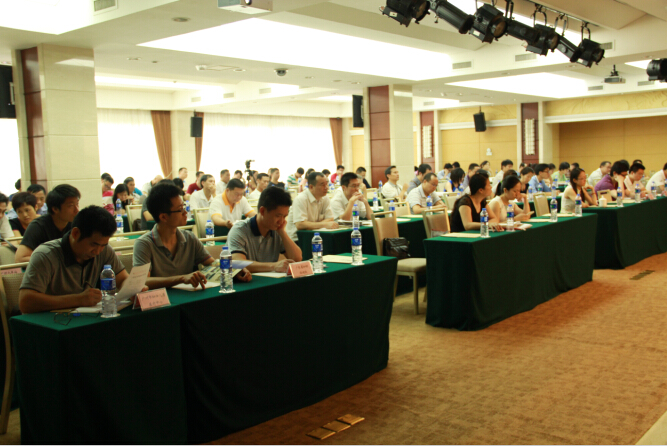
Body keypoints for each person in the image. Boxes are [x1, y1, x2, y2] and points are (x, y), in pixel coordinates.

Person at [133, 182, 250, 289]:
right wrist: (181, 278)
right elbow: (142, 281)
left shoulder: (189, 238)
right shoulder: (144, 244)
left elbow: (211, 263)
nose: (185, 212)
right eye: (180, 209)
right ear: (163, 217)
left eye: (184, 207)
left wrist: (233, 269)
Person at [18, 205, 131, 314]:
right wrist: (78, 299)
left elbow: (123, 279)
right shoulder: (45, 255)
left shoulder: (104, 250)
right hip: (52, 321)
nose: (97, 252)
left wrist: (132, 291)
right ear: (76, 233)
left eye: (103, 245)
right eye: (93, 244)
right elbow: (25, 302)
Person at [228, 187, 302, 274]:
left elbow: (297, 259)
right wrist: (273, 266)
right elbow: (237, 263)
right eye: (278, 216)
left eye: (285, 216)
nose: (281, 221)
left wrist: (282, 233)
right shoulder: (239, 230)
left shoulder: (277, 230)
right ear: (262, 211)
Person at [15, 184, 80, 263]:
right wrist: (55, 260)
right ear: (55, 209)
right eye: (71, 206)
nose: (77, 210)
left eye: (77, 204)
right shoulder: (37, 226)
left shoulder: (76, 224)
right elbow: (20, 259)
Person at [285, 171, 338, 241]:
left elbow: (330, 218)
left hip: (316, 236)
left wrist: (311, 225)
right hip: (298, 239)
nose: (326, 187)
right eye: (322, 185)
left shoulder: (325, 198)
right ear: (311, 187)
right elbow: (300, 224)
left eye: (327, 184)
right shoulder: (301, 199)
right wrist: (324, 224)